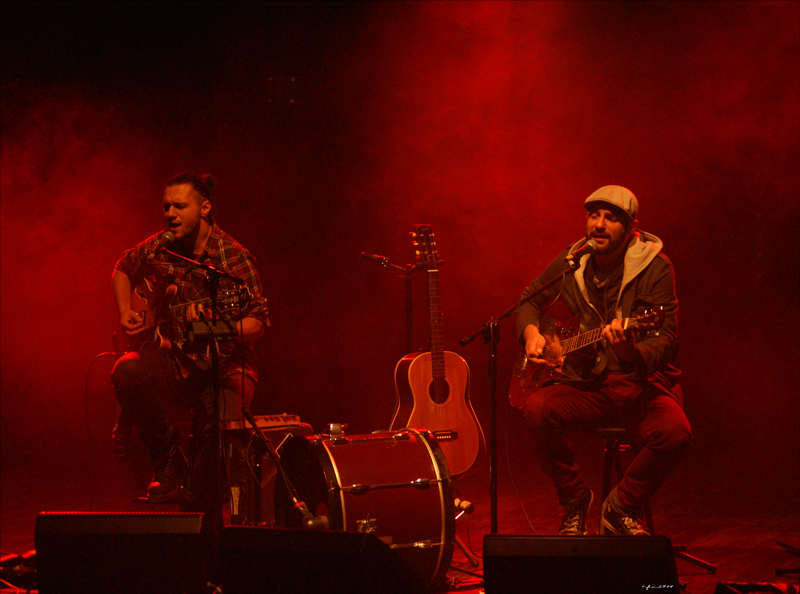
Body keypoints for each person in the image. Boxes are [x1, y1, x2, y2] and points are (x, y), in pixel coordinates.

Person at [515, 185, 691, 536]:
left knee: (675, 433)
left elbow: (667, 339)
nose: (598, 224)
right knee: (535, 410)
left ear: (631, 229)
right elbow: (528, 300)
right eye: (594, 215)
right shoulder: (572, 260)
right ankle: (575, 499)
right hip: (589, 384)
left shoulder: (656, 267)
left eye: (611, 218)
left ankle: (622, 505)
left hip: (640, 385)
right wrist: (531, 334)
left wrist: (631, 352)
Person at [110, 172, 269, 519]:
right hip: (176, 358)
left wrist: (215, 328)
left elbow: (258, 323)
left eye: (180, 206)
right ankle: (168, 457)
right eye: (166, 206)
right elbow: (123, 268)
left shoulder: (233, 257)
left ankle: (201, 503)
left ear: (205, 208)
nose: (170, 213)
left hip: (227, 364)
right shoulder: (159, 245)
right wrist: (126, 312)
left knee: (217, 431)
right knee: (126, 370)